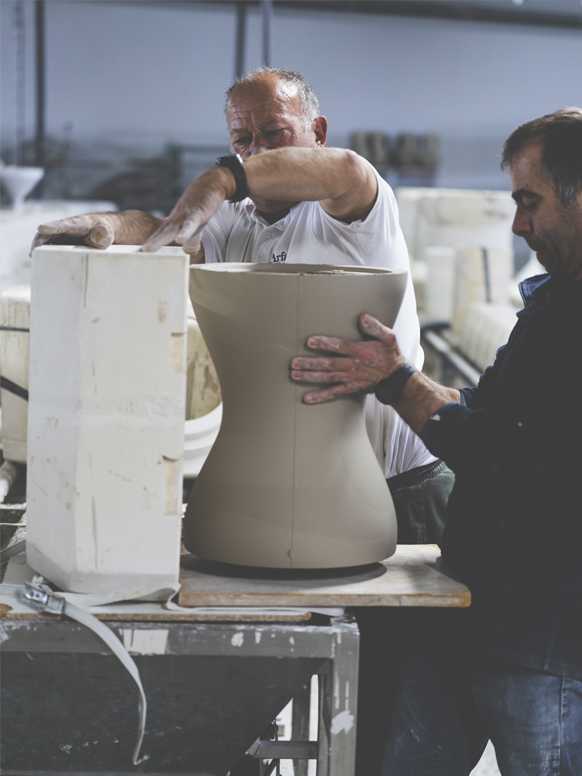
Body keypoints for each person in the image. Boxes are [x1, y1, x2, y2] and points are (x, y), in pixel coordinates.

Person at [31, 67, 453, 545]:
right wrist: (105, 225)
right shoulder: (236, 222)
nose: (257, 150)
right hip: (294, 489)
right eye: (242, 140)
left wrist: (223, 178)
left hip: (402, 487)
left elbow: (348, 171)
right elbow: (166, 232)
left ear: (318, 132)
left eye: (274, 133)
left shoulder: (353, 215)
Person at [290, 107, 582, 774]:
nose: (518, 225)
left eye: (530, 201)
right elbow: (494, 412)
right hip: (469, 609)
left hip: (547, 640)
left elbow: (508, 456)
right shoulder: (557, 302)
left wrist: (398, 382)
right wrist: (411, 383)